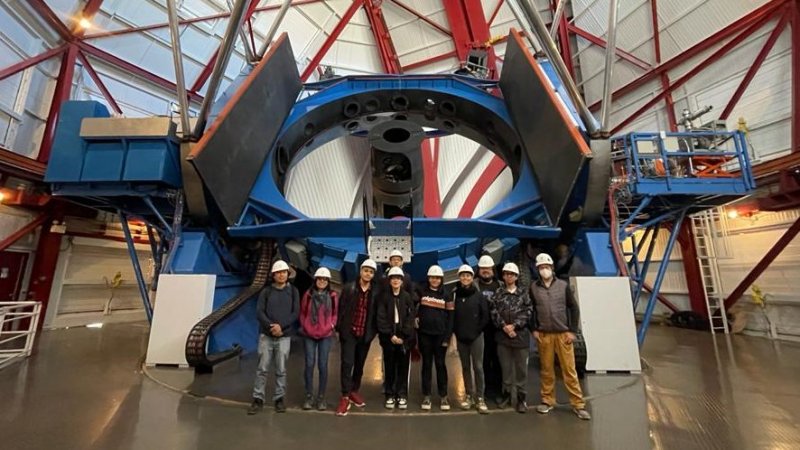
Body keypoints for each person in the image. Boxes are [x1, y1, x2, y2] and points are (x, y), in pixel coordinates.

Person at [530, 253, 591, 420]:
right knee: (546, 370)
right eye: (541, 267)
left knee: (569, 370)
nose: (544, 270)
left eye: (546, 267)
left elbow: (574, 308)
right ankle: (547, 400)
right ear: (537, 270)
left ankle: (578, 404)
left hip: (563, 334)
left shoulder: (563, 286)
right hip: (544, 335)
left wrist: (572, 331)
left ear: (552, 268)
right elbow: (531, 309)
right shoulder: (534, 288)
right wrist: (534, 329)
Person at [248, 260, 300, 415]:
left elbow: (295, 312)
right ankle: (258, 399)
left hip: (284, 337)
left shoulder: (293, 291)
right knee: (262, 369)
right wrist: (272, 327)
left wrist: (281, 327)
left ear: (287, 274)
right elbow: (260, 312)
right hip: (266, 336)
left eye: (284, 272)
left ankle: (279, 399)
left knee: (281, 369)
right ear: (273, 275)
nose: (281, 275)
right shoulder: (266, 292)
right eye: (278, 273)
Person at [335, 259, 379, 417]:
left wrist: (372, 333)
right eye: (366, 270)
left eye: (371, 272)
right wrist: (341, 329)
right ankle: (345, 396)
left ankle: (354, 390)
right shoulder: (349, 288)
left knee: (359, 365)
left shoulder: (375, 292)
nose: (368, 274)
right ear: (360, 271)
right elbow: (341, 309)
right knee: (347, 364)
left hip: (365, 334)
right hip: (349, 333)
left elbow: (376, 313)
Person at [491, 262, 532, 414]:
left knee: (521, 370)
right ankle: (506, 395)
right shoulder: (498, 293)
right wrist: (504, 327)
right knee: (506, 369)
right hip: (503, 338)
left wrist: (514, 326)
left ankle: (521, 399)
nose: (509, 276)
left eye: (511, 274)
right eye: (506, 274)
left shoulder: (523, 293)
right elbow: (494, 311)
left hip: (520, 337)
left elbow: (528, 311)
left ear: (516, 277)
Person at [376, 266, 415, 410]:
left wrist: (403, 336)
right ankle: (390, 395)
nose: (396, 280)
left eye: (398, 278)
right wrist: (390, 335)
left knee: (403, 368)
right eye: (393, 278)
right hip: (388, 340)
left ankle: (402, 394)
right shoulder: (383, 297)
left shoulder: (407, 297)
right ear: (389, 280)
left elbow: (411, 317)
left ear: (402, 281)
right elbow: (381, 318)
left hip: (404, 340)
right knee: (390, 368)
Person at [299, 267, 338, 411]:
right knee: (309, 364)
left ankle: (321, 397)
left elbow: (335, 313)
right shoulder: (308, 295)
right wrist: (305, 325)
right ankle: (309, 396)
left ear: (328, 281)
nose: (322, 281)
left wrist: (331, 325)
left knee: (323, 365)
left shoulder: (332, 296)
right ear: (315, 280)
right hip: (309, 334)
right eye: (320, 279)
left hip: (325, 335)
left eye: (325, 279)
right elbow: (302, 312)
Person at [452, 264, 490, 414]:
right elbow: (452, 316)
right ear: (459, 277)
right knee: (465, 367)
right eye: (463, 275)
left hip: (476, 337)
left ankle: (480, 398)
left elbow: (485, 316)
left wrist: (476, 331)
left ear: (472, 277)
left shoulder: (479, 295)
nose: (465, 278)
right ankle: (469, 396)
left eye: (468, 275)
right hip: (461, 338)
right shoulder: (455, 295)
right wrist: (456, 333)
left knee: (478, 367)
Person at [416, 265, 454, 411]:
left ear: (441, 279)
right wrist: (416, 318)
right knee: (426, 365)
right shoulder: (422, 292)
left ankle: (443, 396)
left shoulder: (447, 295)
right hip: (424, 335)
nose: (435, 280)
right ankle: (426, 395)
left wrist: (447, 337)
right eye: (432, 277)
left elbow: (451, 317)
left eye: (437, 278)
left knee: (440, 365)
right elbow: (414, 307)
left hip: (440, 336)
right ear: (428, 278)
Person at [476, 255, 502, 404]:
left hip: (498, 330)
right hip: (480, 331)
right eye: (482, 268)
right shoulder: (474, 285)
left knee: (498, 361)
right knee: (483, 362)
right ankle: (485, 391)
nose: (485, 271)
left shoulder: (501, 285)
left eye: (488, 268)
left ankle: (499, 391)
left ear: (493, 270)